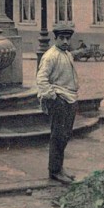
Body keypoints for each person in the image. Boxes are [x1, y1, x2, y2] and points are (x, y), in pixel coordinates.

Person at [36, 24, 79, 184]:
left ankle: (59, 168)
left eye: (68, 38)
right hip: (59, 99)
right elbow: (41, 79)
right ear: (56, 39)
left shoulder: (67, 54)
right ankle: (54, 171)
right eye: (62, 38)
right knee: (58, 135)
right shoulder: (50, 56)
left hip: (70, 98)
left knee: (65, 135)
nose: (66, 41)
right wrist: (53, 97)